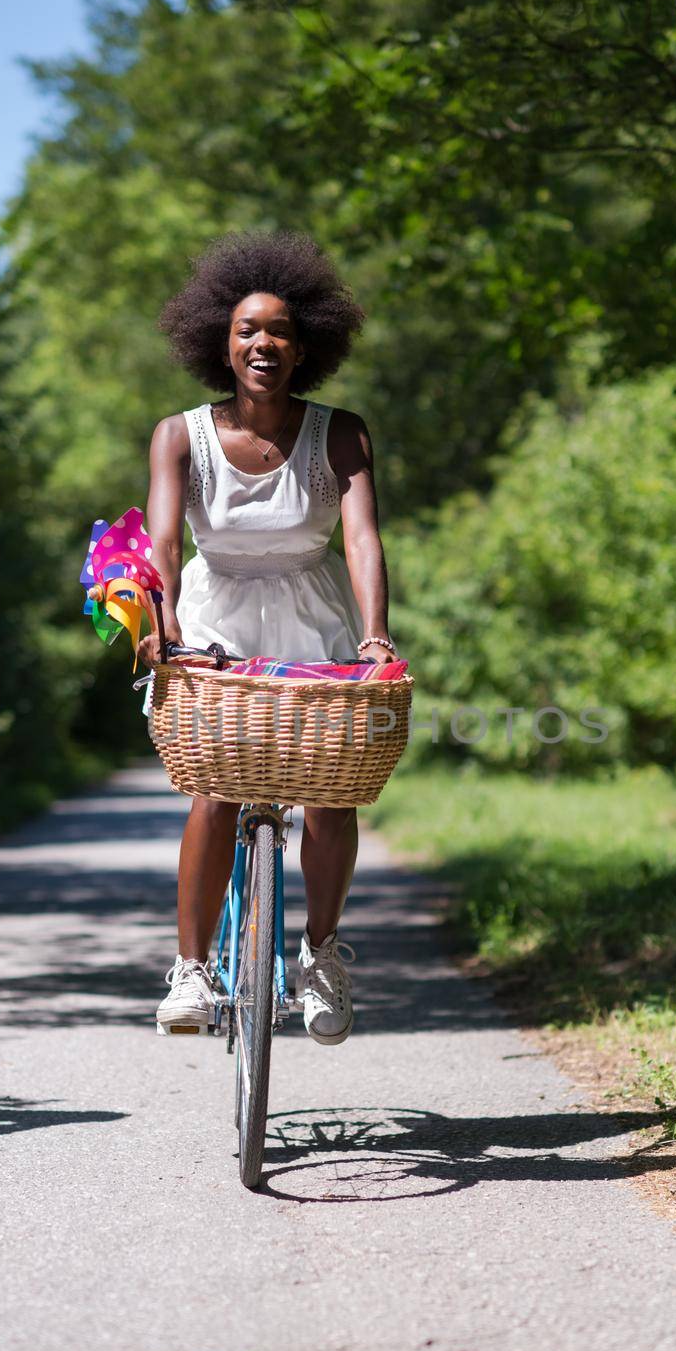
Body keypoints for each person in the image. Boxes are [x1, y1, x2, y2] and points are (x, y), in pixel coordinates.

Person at [137, 229, 397, 1046]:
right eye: (248, 330)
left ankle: (319, 957)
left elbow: (360, 539)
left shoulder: (340, 433)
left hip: (312, 619)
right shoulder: (180, 435)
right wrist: (162, 621)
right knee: (212, 788)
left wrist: (376, 635)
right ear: (220, 341)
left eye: (280, 331)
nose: (263, 343)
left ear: (303, 346)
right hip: (211, 620)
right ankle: (191, 970)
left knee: (330, 789)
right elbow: (164, 541)